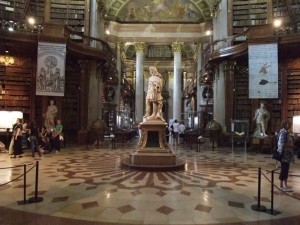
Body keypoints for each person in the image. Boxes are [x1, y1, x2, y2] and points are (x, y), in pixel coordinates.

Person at [277, 120, 294, 192]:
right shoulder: (284, 132)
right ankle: (281, 185)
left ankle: (285, 185)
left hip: (287, 154)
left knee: (286, 169)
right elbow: (281, 144)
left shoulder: (286, 132)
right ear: (284, 125)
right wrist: (290, 146)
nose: (290, 126)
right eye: (288, 124)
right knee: (284, 169)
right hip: (285, 154)